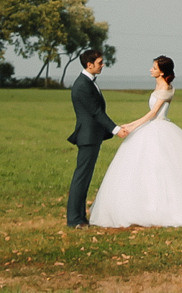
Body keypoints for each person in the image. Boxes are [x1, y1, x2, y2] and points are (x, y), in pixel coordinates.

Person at [87, 55, 182, 227]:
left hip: (159, 128)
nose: (151, 69)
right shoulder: (160, 86)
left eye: (154, 68)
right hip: (152, 126)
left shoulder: (165, 89)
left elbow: (153, 114)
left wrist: (133, 127)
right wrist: (129, 124)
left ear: (162, 71)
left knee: (163, 168)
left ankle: (162, 209)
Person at [65, 49, 117, 228]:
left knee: (84, 178)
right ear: (89, 64)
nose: (103, 65)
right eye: (100, 62)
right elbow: (96, 112)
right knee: (81, 177)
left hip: (92, 136)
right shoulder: (82, 85)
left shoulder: (88, 82)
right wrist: (116, 129)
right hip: (87, 137)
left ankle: (80, 218)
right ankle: (74, 219)